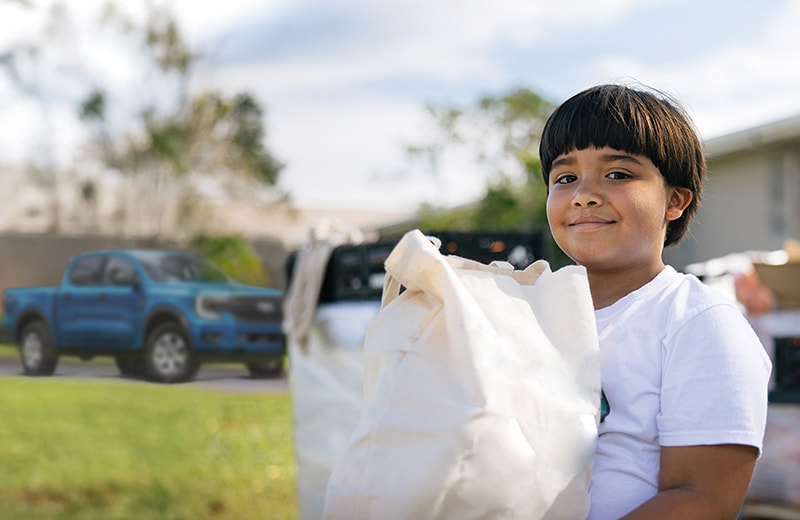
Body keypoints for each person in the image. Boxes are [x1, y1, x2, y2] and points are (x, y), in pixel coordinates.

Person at [539, 83, 771, 519]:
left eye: (618, 174)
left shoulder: (698, 321)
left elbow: (703, 499)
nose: (583, 194)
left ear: (675, 200)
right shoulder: (528, 316)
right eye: (565, 177)